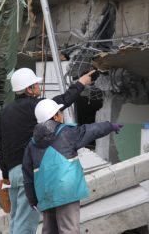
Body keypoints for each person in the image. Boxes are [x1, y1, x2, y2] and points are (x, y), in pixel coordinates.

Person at [0, 67, 95, 234]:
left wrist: (6, 176)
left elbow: (1, 145)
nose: (38, 87)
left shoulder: (6, 112)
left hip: (12, 173)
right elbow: (61, 101)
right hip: (27, 171)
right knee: (25, 225)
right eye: (36, 84)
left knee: (16, 220)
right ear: (29, 89)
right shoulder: (36, 107)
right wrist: (80, 84)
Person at [22, 99, 123, 234]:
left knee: (50, 230)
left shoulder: (32, 144)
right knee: (69, 229)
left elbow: (27, 174)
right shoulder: (67, 133)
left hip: (45, 194)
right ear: (56, 116)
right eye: (60, 112)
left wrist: (32, 198)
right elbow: (92, 130)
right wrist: (110, 126)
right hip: (66, 191)